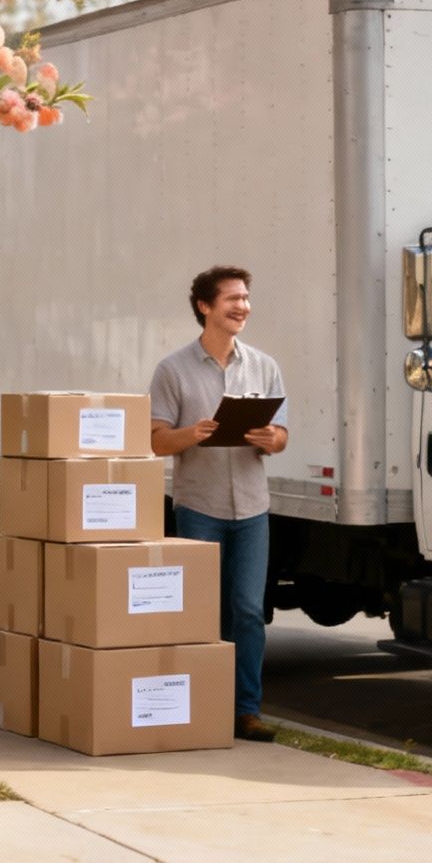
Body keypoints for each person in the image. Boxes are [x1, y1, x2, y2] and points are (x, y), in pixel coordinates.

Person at [147, 265, 289, 744]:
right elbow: (157, 441)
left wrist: (271, 438)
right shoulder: (173, 370)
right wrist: (194, 434)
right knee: (201, 614)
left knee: (248, 611)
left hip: (251, 509)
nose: (242, 306)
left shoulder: (264, 366)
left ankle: (246, 711)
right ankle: (198, 708)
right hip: (199, 508)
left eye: (246, 298)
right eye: (232, 298)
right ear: (205, 307)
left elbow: (282, 437)